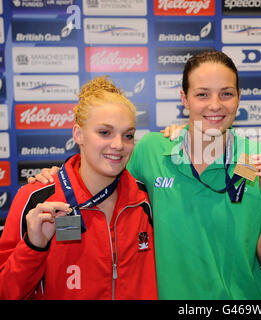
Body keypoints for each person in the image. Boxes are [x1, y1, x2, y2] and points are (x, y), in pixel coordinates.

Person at [28, 50, 261, 300]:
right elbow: (100, 180)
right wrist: (59, 176)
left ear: (239, 97)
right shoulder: (152, 151)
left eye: (226, 94)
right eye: (202, 94)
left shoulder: (257, 159)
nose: (215, 105)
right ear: (184, 98)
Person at [0, 76, 158, 300]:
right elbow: (6, 292)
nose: (119, 145)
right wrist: (34, 246)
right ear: (78, 134)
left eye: (128, 135)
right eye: (105, 132)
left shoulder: (145, 198)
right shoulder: (37, 199)